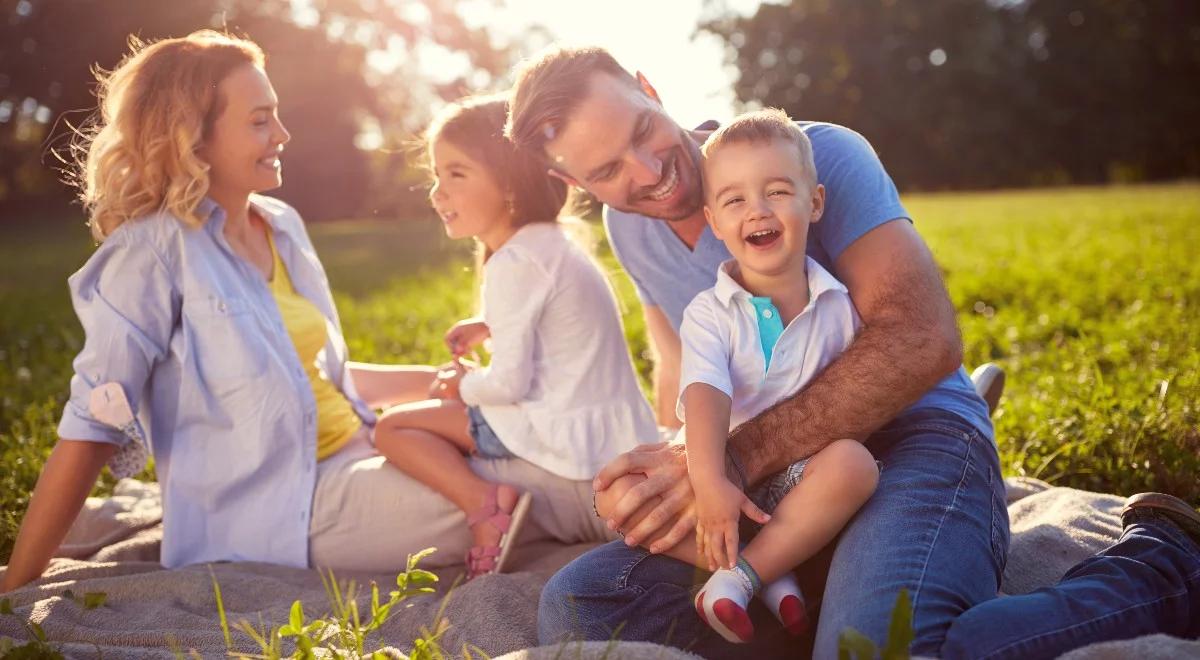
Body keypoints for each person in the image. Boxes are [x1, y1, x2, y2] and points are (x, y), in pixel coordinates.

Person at [506, 45, 1200, 659]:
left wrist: (731, 459)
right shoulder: (631, 230)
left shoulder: (817, 155)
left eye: (643, 131)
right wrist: (675, 469)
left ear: (648, 87)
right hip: (780, 484)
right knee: (582, 604)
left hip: (914, 435)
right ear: (577, 186)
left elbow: (920, 339)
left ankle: (1165, 567)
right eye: (608, 170)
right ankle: (817, 604)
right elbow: (689, 365)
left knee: (878, 650)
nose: (650, 169)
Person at [0, 32, 610, 594]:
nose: (283, 134)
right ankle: (678, 529)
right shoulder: (148, 254)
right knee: (539, 486)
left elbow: (320, 379)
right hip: (287, 510)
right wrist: (19, 581)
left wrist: (449, 387)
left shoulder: (280, 225)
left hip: (362, 447)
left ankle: (676, 503)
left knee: (547, 442)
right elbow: (93, 426)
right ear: (194, 137)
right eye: (261, 121)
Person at [371, 94, 658, 579]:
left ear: (508, 183)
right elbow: (551, 319)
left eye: (456, 174)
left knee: (392, 428)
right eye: (437, 175)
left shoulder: (513, 262)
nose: (437, 193)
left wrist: (458, 387)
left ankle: (485, 505)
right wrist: (488, 324)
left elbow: (507, 385)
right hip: (614, 431)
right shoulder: (551, 243)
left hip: (565, 439)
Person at [638, 108, 880, 643]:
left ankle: (740, 578)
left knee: (856, 465)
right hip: (720, 474)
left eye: (776, 192)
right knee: (621, 492)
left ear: (813, 202)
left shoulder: (840, 306)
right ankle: (773, 572)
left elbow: (857, 404)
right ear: (716, 221)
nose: (757, 211)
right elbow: (704, 395)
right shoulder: (709, 311)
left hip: (800, 482)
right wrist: (710, 481)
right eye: (734, 200)